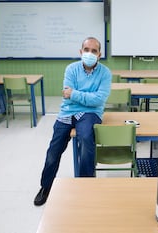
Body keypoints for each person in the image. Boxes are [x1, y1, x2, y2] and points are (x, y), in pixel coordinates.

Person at [34, 37, 112, 206]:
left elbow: (99, 100)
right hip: (68, 112)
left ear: (99, 54)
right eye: (86, 50)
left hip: (91, 113)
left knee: (86, 140)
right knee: (54, 150)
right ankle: (45, 186)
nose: (89, 53)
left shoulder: (105, 73)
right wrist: (84, 97)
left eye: (94, 51)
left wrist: (75, 94)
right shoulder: (71, 69)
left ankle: (85, 185)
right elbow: (66, 95)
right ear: (80, 52)